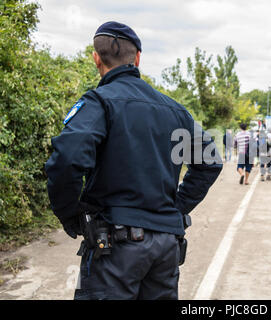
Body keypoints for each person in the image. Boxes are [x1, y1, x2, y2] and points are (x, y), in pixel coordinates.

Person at [45, 21, 222, 300]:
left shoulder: (99, 103)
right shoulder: (175, 111)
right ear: (137, 58)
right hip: (165, 249)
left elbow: (67, 158)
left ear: (96, 58)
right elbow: (210, 162)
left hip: (114, 250)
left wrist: (71, 215)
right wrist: (173, 209)